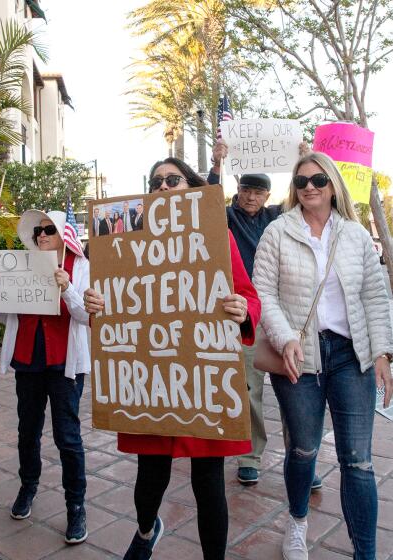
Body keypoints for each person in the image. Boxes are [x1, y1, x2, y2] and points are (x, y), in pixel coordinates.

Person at [84, 157, 261, 560]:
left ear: (191, 187)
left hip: (201, 381)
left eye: (172, 179)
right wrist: (97, 305)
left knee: (209, 485)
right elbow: (115, 309)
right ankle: (147, 531)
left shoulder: (217, 234)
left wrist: (241, 309)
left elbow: (248, 296)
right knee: (150, 478)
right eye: (155, 181)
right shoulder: (125, 240)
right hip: (151, 382)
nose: (162, 187)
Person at [253, 151, 393, 560]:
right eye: (301, 182)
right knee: (303, 449)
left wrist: (383, 353)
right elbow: (265, 293)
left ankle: (364, 553)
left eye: (318, 180)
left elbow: (375, 296)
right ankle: (297, 523)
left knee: (358, 462)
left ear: (333, 185)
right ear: (293, 189)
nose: (309, 187)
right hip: (299, 358)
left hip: (352, 356)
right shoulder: (278, 232)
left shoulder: (352, 235)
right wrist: (284, 338)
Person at [209, 144, 324, 490]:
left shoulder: (278, 217)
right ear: (238, 190)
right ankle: (250, 457)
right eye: (246, 190)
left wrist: (306, 154)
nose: (251, 197)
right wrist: (218, 163)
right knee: (249, 391)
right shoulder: (225, 217)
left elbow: (304, 195)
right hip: (245, 315)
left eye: (258, 191)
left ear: (267, 195)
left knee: (297, 387)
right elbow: (208, 199)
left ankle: (303, 457)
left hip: (283, 314)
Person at [0, 210, 90, 545]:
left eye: (49, 230)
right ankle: (28, 487)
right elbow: (4, 313)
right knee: (27, 431)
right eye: (38, 231)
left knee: (67, 437)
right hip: (28, 360)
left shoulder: (80, 268)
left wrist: (67, 288)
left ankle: (76, 506)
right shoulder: (20, 264)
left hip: (64, 363)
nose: (42, 235)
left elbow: (86, 316)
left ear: (62, 235)